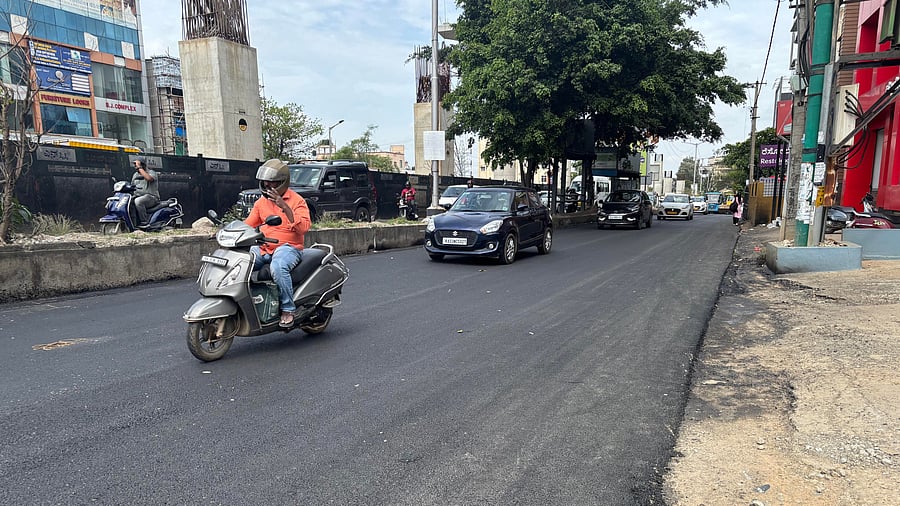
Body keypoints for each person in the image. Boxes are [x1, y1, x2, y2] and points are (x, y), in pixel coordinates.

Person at [245, 159, 312, 327]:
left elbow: (303, 228)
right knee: (241, 261)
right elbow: (248, 224)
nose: (268, 186)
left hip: (288, 248)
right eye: (266, 182)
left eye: (272, 182)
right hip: (263, 247)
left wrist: (285, 207)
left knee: (278, 267)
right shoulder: (261, 203)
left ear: (282, 182)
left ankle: (288, 309)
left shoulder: (297, 201)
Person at [131, 157, 159, 227]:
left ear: (142, 165)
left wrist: (140, 168)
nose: (135, 167)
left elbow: (149, 178)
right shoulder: (135, 175)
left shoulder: (151, 172)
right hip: (137, 196)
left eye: (137, 165)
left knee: (138, 201)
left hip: (151, 197)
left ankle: (144, 222)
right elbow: (132, 186)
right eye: (135, 165)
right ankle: (133, 224)